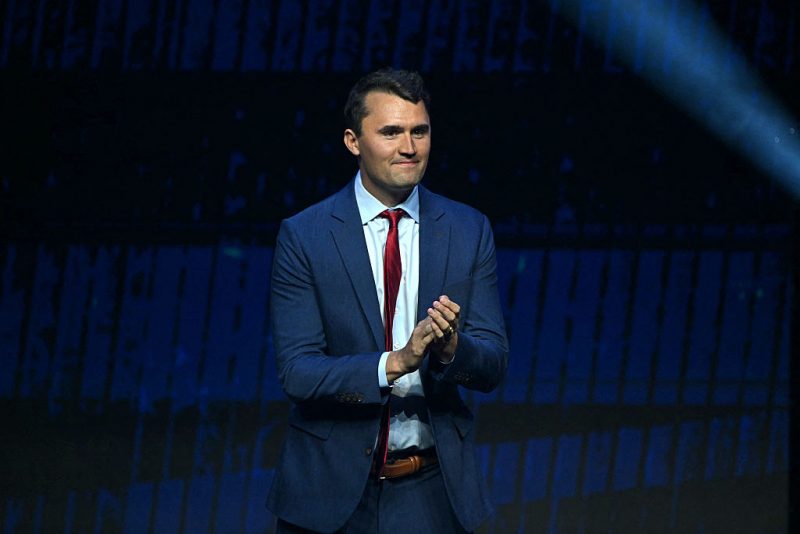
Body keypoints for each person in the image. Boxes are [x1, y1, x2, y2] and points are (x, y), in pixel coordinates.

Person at [267, 67, 508, 533]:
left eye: (420, 131)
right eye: (391, 132)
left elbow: (493, 363)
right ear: (353, 141)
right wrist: (395, 362)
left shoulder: (467, 229)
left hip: (431, 494)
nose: (409, 147)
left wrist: (450, 350)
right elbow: (298, 371)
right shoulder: (305, 236)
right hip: (327, 497)